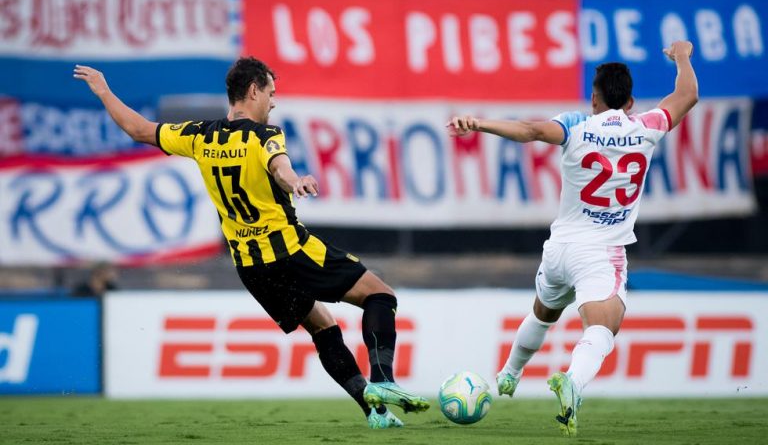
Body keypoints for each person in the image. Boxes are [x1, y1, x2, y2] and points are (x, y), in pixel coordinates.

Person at [74, 58, 428, 429]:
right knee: (380, 295)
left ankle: (375, 412)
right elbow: (280, 167)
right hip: (290, 250)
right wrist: (295, 181)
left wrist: (104, 91)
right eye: (271, 93)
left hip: (251, 267)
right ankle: (384, 381)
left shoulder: (199, 135)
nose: (273, 102)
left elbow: (139, 130)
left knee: (322, 327)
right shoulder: (265, 135)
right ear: (253, 90)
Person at [447, 41, 698, 437]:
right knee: (603, 329)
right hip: (602, 252)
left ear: (594, 97)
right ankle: (573, 383)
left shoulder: (576, 125)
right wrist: (681, 56)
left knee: (543, 313)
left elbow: (529, 130)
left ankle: (510, 373)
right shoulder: (646, 127)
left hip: (560, 248)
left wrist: (478, 124)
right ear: (630, 101)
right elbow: (687, 95)